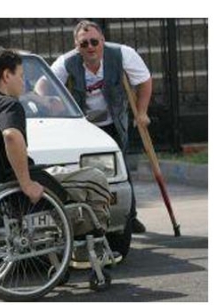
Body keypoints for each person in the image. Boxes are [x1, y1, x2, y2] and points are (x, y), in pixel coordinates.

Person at [0, 48, 111, 239]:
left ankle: (71, 234)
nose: (24, 83)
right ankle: (92, 240)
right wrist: (26, 184)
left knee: (59, 173)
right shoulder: (8, 105)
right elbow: (11, 136)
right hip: (15, 186)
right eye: (21, 76)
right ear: (7, 75)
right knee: (95, 178)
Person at [41, 20, 151, 234]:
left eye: (94, 42)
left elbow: (144, 80)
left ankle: (129, 216)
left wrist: (142, 112)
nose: (90, 47)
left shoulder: (122, 54)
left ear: (102, 40)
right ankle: (89, 217)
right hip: (84, 126)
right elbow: (43, 85)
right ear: (77, 45)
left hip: (114, 120)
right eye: (84, 44)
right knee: (84, 172)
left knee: (120, 169)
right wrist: (51, 103)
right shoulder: (67, 62)